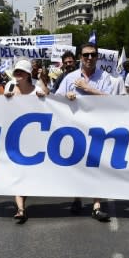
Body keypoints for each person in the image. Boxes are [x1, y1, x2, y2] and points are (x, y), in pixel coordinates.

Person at [55, 42, 113, 222]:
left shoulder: (105, 78)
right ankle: (77, 198)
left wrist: (87, 89)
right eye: (86, 55)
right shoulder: (69, 78)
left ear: (97, 57)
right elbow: (55, 98)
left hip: (97, 128)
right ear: (80, 57)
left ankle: (96, 205)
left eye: (93, 55)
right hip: (75, 129)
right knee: (77, 165)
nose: (89, 58)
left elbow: (112, 100)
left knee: (96, 166)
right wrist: (66, 96)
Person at [4, 59, 46, 223]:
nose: (17, 74)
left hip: (34, 137)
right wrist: (5, 99)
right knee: (18, 172)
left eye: (21, 72)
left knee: (28, 173)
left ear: (28, 74)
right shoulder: (9, 86)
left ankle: (23, 202)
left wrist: (44, 99)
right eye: (16, 72)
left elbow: (49, 108)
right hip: (14, 136)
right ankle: (20, 209)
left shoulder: (37, 89)